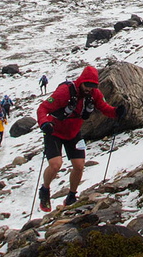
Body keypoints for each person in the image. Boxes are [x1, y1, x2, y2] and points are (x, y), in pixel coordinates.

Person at [36, 65, 125, 211]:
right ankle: (45, 190)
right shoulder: (65, 92)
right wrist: (44, 123)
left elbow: (104, 107)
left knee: (79, 165)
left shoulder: (94, 94)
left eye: (93, 86)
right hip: (54, 131)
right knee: (55, 164)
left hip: (73, 132)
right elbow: (43, 108)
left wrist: (116, 112)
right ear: (81, 81)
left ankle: (71, 196)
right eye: (87, 85)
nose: (89, 88)